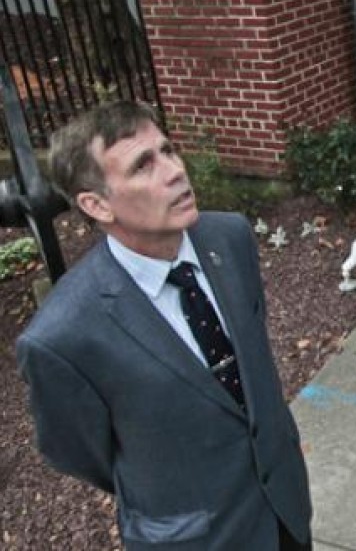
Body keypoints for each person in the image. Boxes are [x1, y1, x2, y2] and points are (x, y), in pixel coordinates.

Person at [16, 101, 312, 550]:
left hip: (284, 509)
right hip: (196, 538)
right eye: (143, 166)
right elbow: (80, 453)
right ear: (96, 204)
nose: (175, 171)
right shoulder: (62, 337)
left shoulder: (229, 238)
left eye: (168, 150)